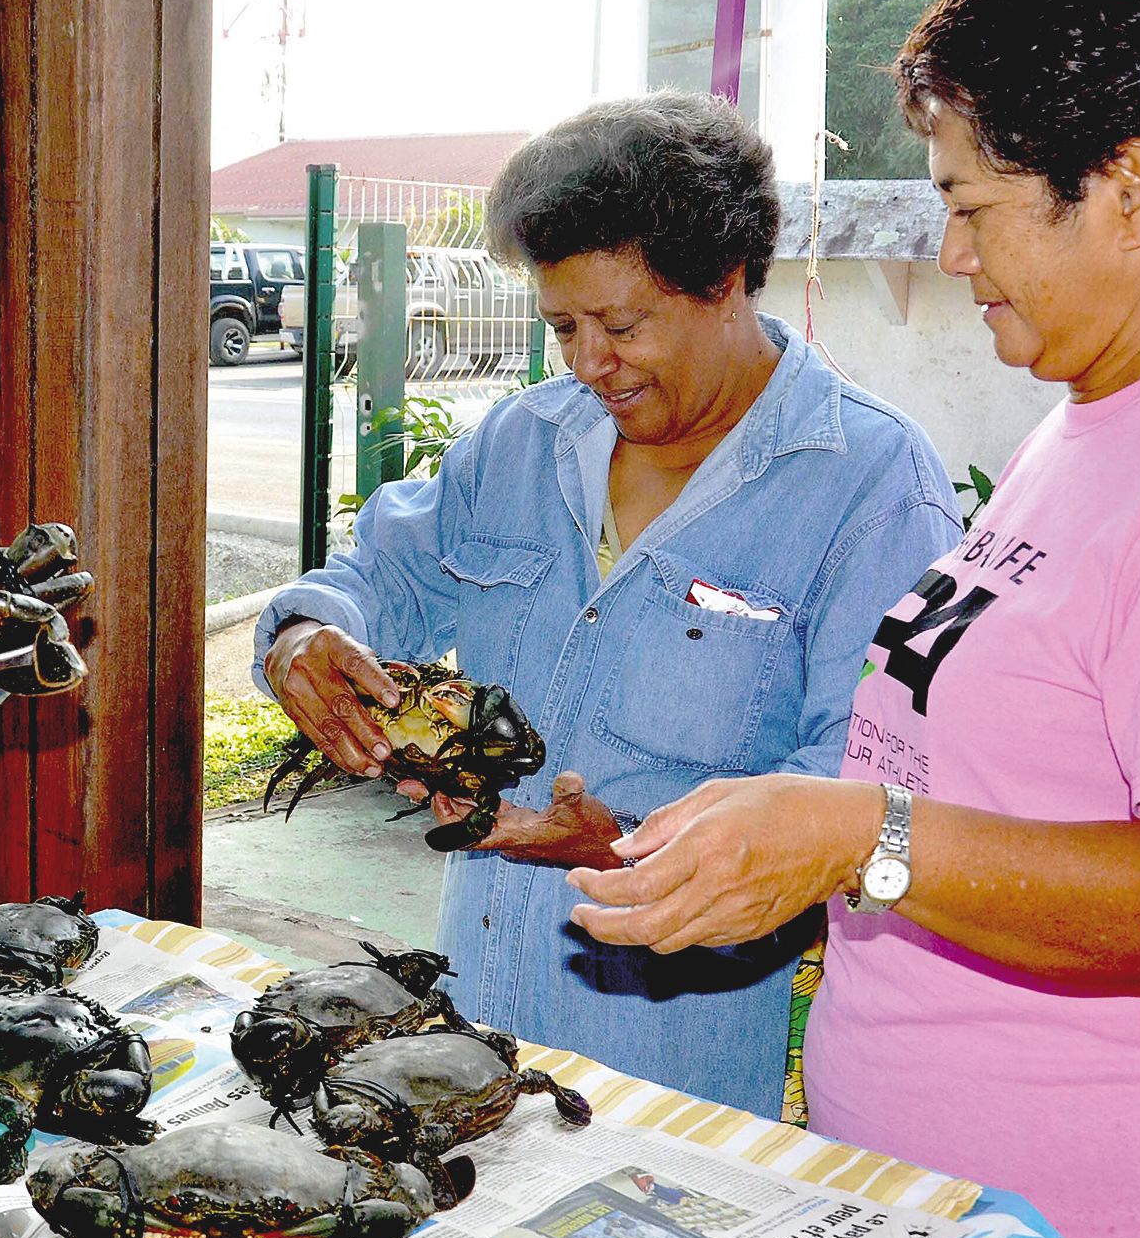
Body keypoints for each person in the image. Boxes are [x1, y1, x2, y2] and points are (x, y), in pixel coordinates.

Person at [570, 0, 1140, 1238]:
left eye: (972, 204)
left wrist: (857, 837)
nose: (951, 252)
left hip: (1107, 1227)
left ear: (1127, 191)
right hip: (963, 1203)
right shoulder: (1097, 421)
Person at [254, 91, 960, 1118]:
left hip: (668, 1078)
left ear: (721, 282)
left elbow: (864, 793)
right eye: (561, 327)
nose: (587, 364)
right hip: (468, 1041)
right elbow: (382, 575)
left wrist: (631, 845)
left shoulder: (871, 485)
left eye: (620, 326)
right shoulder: (521, 443)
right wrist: (309, 632)